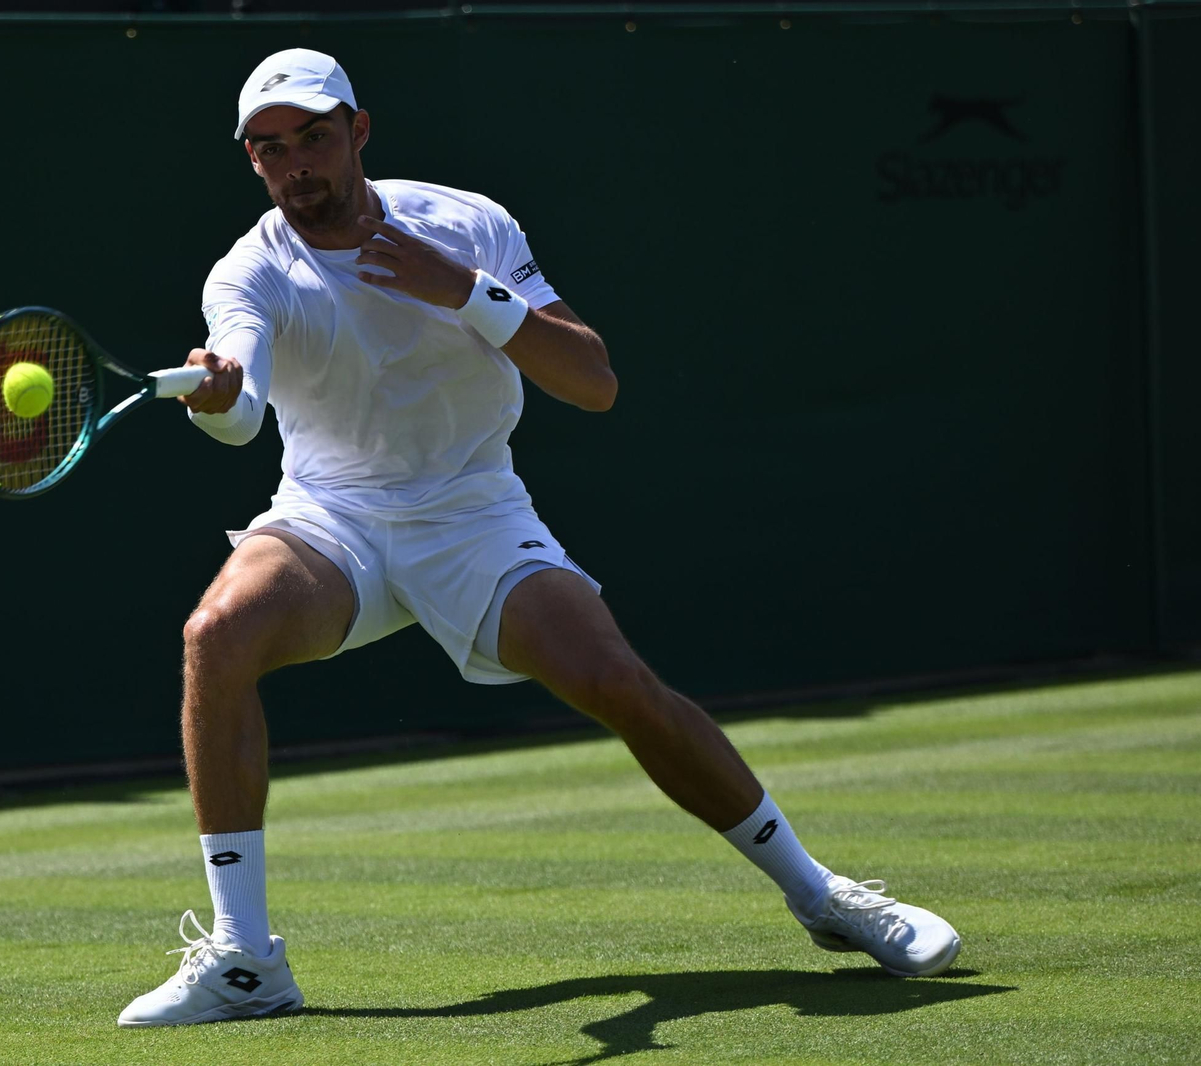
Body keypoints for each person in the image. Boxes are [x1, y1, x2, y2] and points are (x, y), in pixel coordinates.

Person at [118, 48, 960, 1029]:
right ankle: (246, 960)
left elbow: (592, 380)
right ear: (253, 163)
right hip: (331, 518)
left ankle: (822, 895)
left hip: (474, 512)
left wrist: (462, 290)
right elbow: (242, 406)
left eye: (312, 137)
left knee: (616, 682)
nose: (294, 164)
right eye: (269, 150)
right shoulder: (249, 269)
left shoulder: (466, 223)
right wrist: (215, 399)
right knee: (215, 635)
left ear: (358, 132)